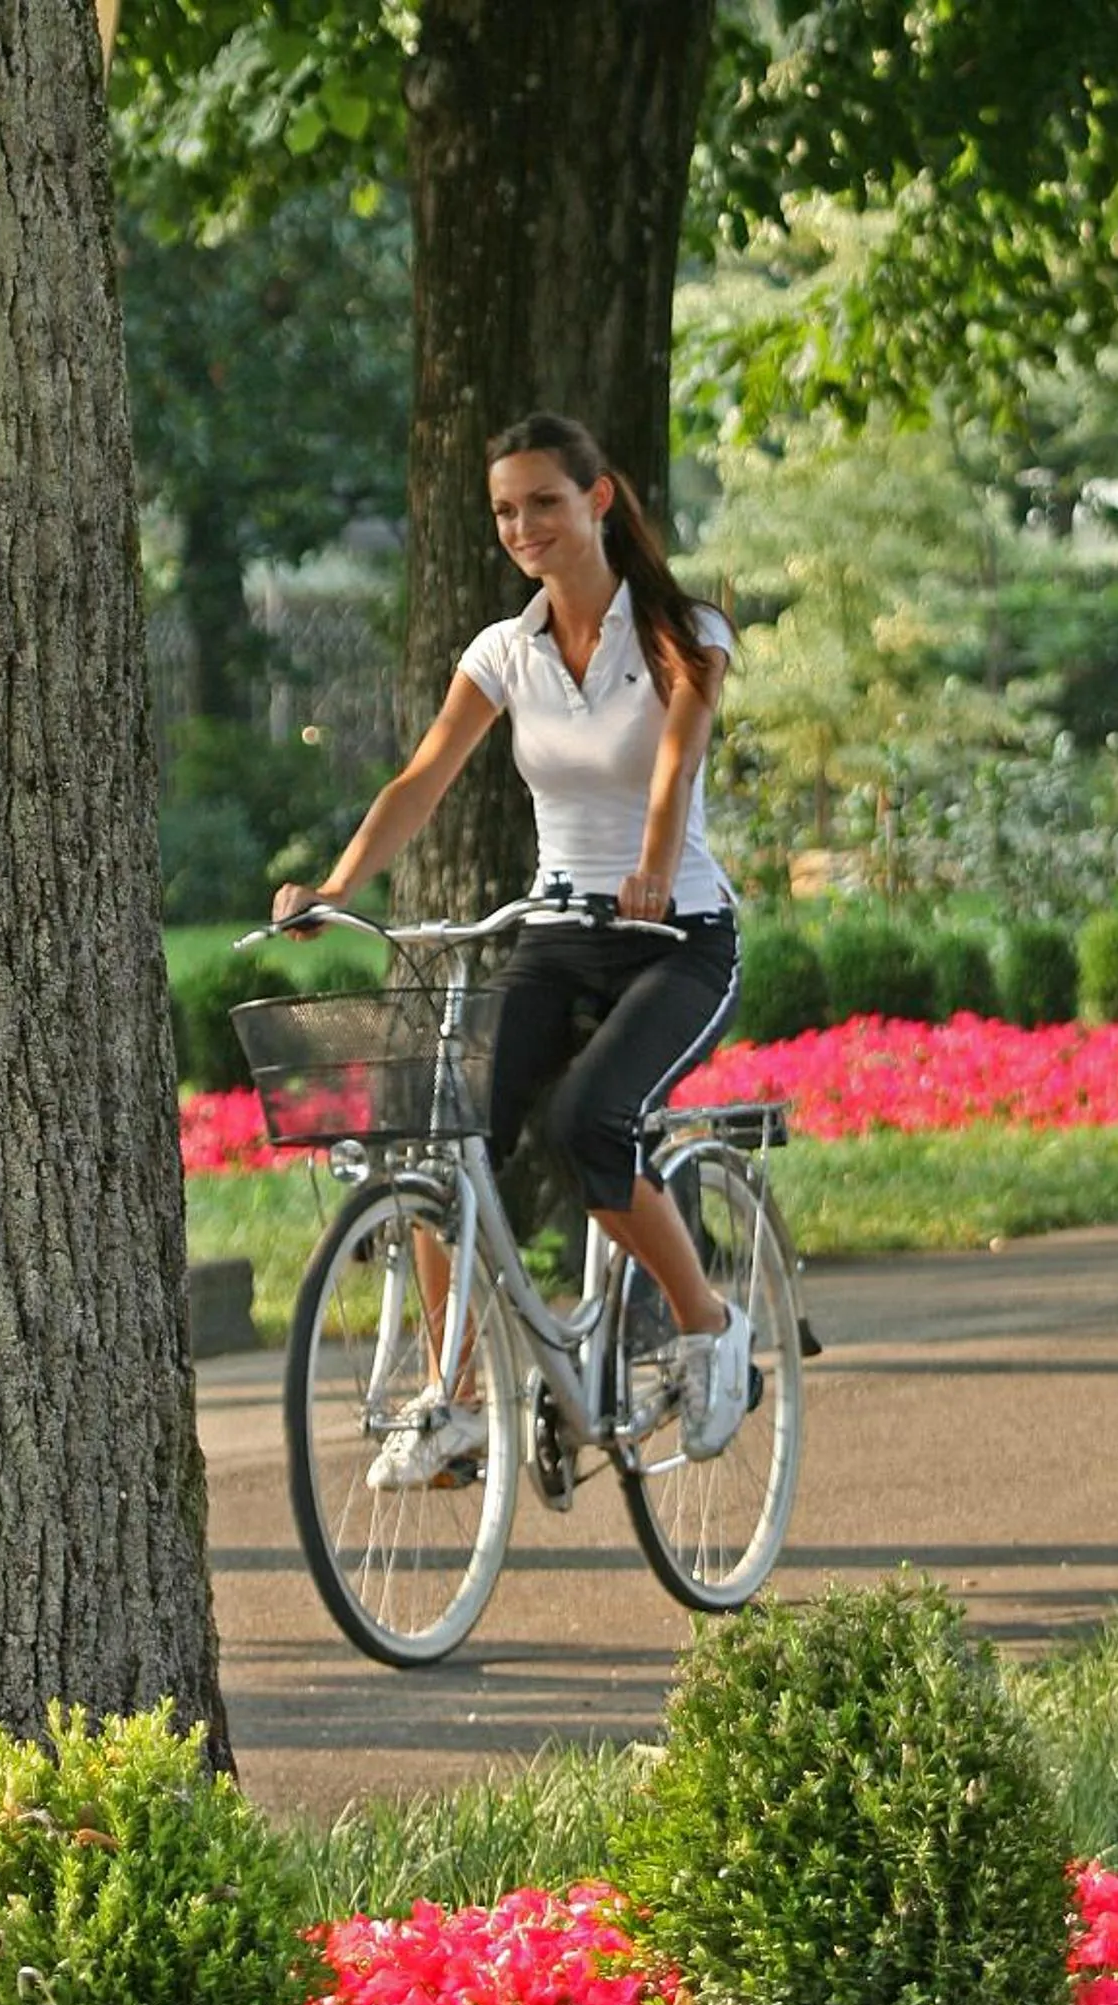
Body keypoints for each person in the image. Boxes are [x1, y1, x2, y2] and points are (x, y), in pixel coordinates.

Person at [272, 411, 751, 1486]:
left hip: (674, 938)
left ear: (597, 500)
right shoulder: (504, 650)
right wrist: (338, 885)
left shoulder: (683, 629)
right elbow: (424, 776)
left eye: (542, 501)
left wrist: (650, 870)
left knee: (590, 1124)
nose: (521, 525)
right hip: (554, 931)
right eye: (503, 510)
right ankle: (454, 1402)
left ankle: (708, 1326)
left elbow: (673, 767)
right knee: (449, 1133)